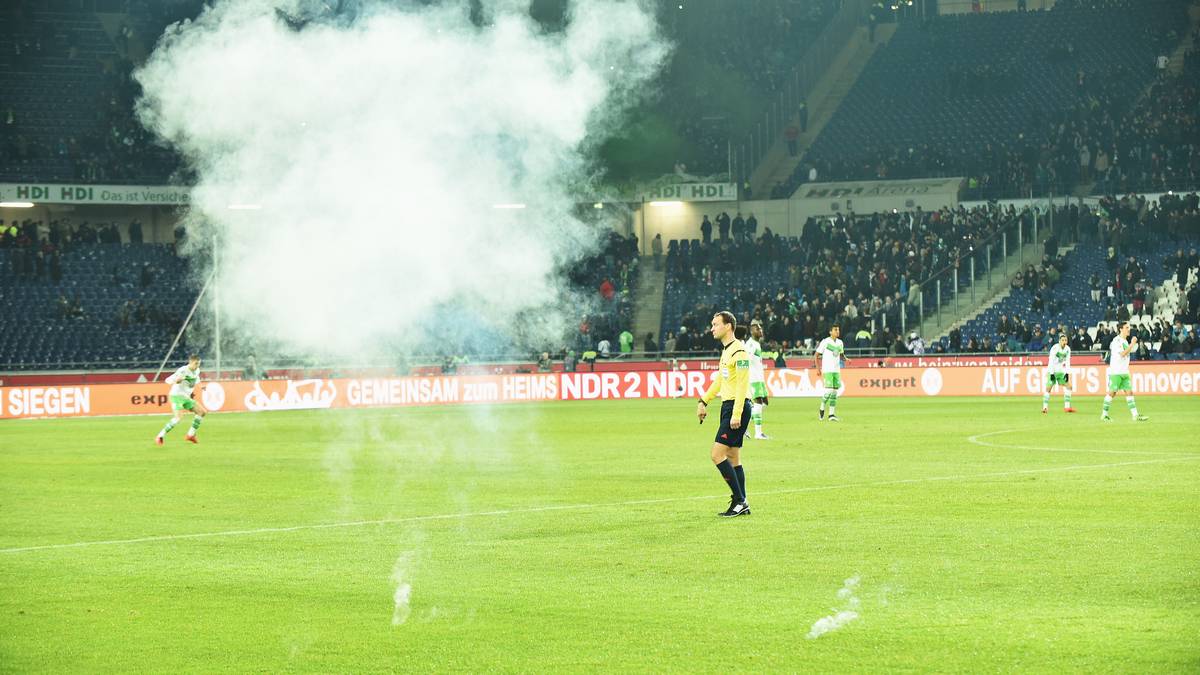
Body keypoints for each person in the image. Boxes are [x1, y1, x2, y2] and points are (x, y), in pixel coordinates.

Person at [695, 311, 751, 517]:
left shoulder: (740, 352)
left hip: (737, 407)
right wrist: (703, 401)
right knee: (733, 457)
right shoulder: (727, 351)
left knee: (716, 454)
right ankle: (742, 502)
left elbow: (743, 385)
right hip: (728, 406)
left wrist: (736, 414)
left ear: (728, 326)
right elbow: (720, 380)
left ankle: (739, 500)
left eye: (716, 324)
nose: (712, 328)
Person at [155, 354, 208, 445]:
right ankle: (160, 436)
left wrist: (201, 386)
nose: (197, 366)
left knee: (202, 412)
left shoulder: (197, 370)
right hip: (176, 396)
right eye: (196, 364)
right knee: (178, 418)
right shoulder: (183, 370)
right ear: (190, 362)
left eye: (199, 364)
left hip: (186, 397)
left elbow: (197, 379)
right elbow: (168, 380)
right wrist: (177, 380)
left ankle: (190, 435)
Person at [1101, 322, 1147, 422]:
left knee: (1129, 392)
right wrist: (1133, 343)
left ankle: (1135, 415)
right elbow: (1122, 354)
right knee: (1112, 393)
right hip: (1116, 372)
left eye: (1128, 327)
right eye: (1126, 328)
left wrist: (1131, 344)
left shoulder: (1125, 341)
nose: (1128, 329)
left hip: (1124, 371)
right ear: (1121, 329)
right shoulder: (1116, 341)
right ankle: (1104, 415)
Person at [740, 321, 772, 440]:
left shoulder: (756, 344)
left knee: (764, 403)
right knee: (758, 403)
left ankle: (744, 427)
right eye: (758, 329)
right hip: (753, 379)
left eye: (761, 329)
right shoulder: (751, 345)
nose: (760, 331)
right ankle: (758, 433)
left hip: (759, 378)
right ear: (752, 332)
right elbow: (745, 360)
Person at [815, 324, 846, 421]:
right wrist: (818, 368)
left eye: (838, 330)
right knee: (829, 390)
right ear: (830, 332)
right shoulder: (825, 342)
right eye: (835, 330)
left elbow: (841, 355)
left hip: (836, 370)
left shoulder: (840, 342)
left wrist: (846, 359)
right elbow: (816, 355)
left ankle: (831, 414)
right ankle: (822, 407)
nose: (837, 331)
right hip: (828, 370)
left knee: (835, 391)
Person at [1043, 334, 1076, 414]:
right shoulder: (1054, 348)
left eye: (1066, 340)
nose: (1064, 342)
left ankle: (1067, 407)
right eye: (1063, 340)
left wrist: (1067, 373)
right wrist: (1051, 374)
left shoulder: (1068, 349)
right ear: (1059, 341)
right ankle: (1045, 407)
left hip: (1060, 371)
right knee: (1048, 389)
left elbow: (1068, 362)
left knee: (1069, 387)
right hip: (1052, 371)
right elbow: (1051, 361)